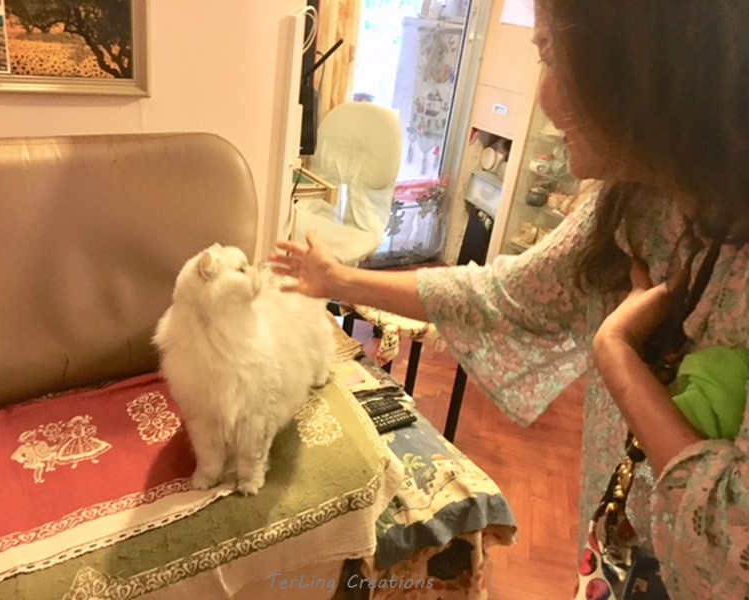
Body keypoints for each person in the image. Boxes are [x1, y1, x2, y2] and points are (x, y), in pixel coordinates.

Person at [271, 1, 749, 598]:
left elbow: (731, 548)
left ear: (648, 64)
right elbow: (500, 294)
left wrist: (617, 356)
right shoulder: (638, 201)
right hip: (614, 555)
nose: (545, 95)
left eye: (552, 56)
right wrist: (337, 280)